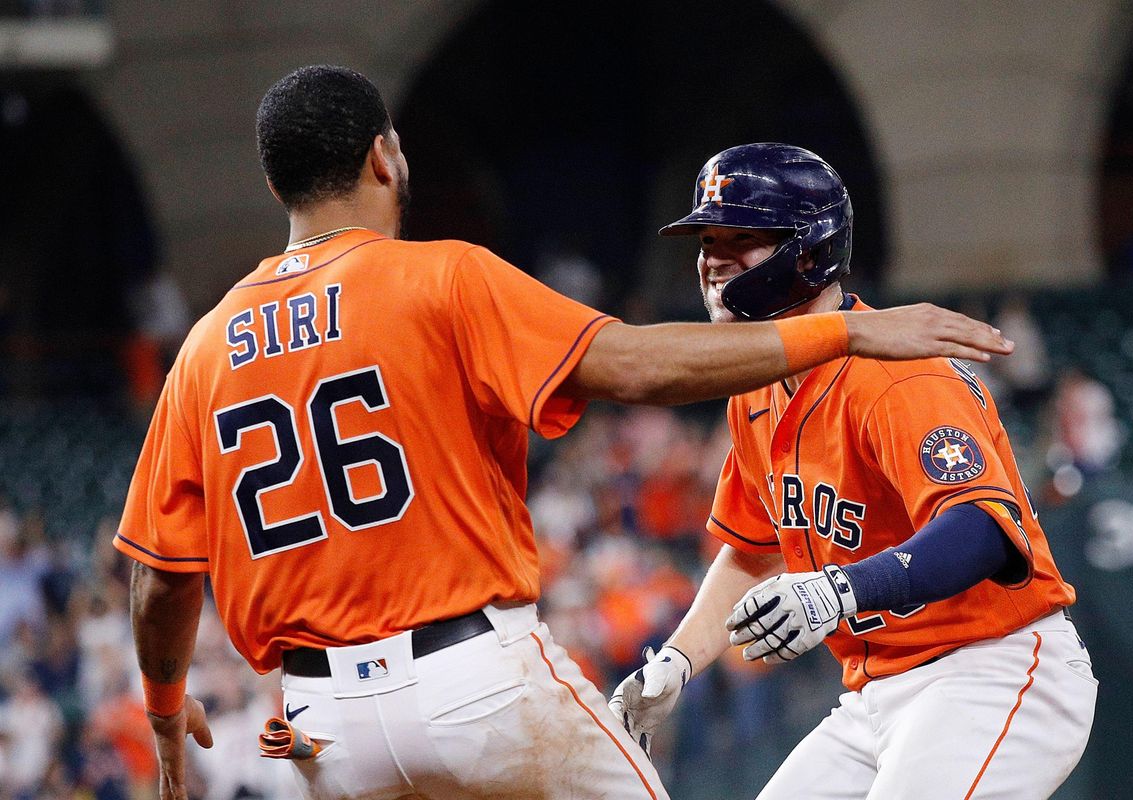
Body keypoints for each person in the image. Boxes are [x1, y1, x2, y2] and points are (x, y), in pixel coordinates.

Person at [114, 69, 1012, 800]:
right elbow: (635, 369)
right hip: (472, 678)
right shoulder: (441, 279)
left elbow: (158, 581)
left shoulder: (202, 350)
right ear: (383, 157)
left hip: (316, 725)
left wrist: (162, 716)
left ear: (277, 184)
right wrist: (846, 329)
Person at [610, 143, 1096, 799]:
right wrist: (676, 660)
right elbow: (753, 555)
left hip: (993, 668)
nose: (713, 257)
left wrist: (837, 590)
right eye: (707, 237)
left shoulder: (897, 372)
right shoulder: (754, 383)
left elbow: (983, 528)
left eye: (742, 236)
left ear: (809, 250)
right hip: (877, 695)